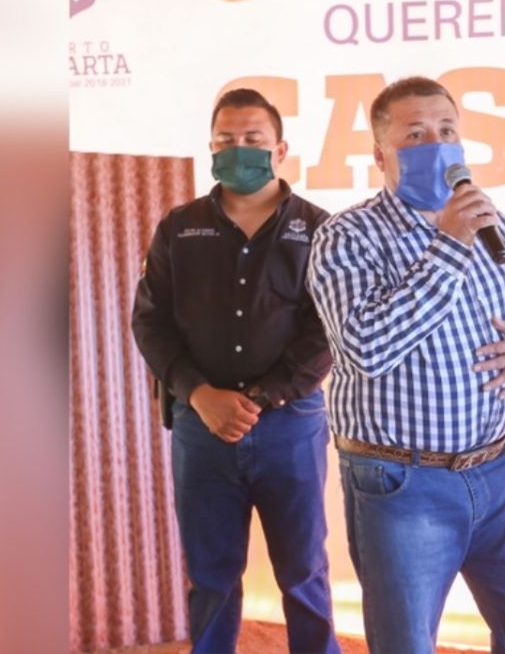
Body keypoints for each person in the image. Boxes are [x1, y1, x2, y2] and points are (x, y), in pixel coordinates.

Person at [307, 76, 505, 654]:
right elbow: (365, 347)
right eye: (416, 134)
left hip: (499, 472)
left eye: (447, 130)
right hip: (402, 482)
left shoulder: (498, 226)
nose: (437, 144)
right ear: (381, 155)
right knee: (407, 643)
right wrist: (449, 245)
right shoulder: (346, 237)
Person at [132, 89, 339, 653]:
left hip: (290, 425)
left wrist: (262, 398)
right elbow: (150, 322)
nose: (238, 149)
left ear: (280, 150)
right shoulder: (180, 227)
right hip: (202, 427)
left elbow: (327, 329)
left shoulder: (319, 230)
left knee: (304, 571)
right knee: (211, 575)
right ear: (211, 147)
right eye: (226, 140)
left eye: (253, 139)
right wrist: (199, 394)